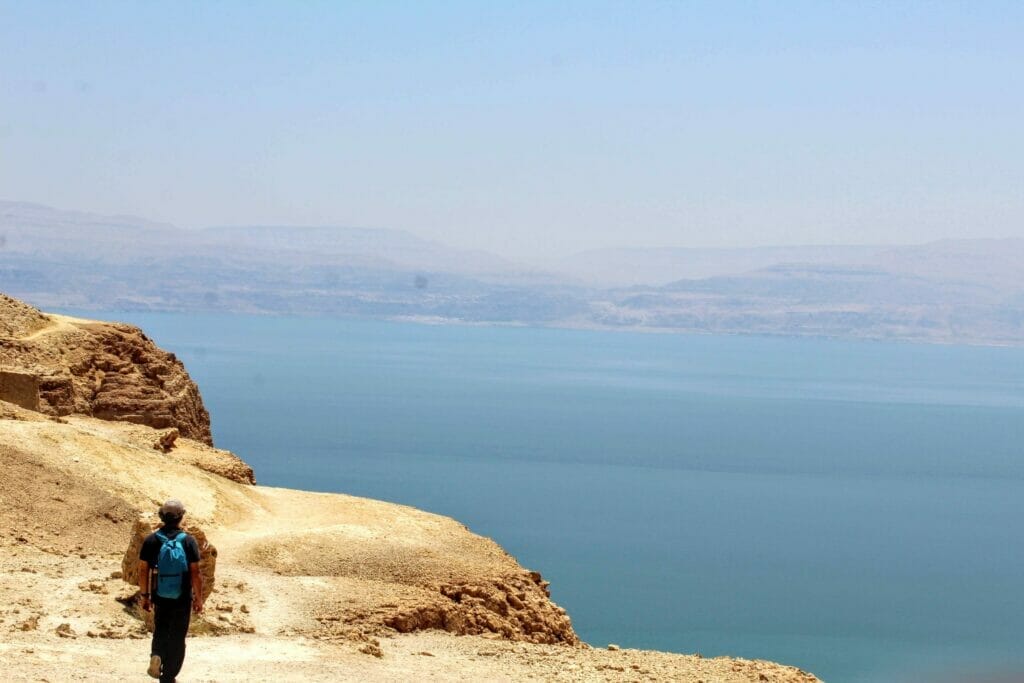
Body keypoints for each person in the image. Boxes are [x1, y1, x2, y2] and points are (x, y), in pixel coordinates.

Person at [138, 499, 204, 682]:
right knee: (177, 637)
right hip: (182, 597)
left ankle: (157, 655)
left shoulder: (152, 540)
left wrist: (145, 596)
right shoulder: (188, 541)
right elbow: (195, 572)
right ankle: (168, 676)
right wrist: (198, 599)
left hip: (160, 596)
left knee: (161, 629)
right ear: (181, 517)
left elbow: (144, 570)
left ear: (161, 517)